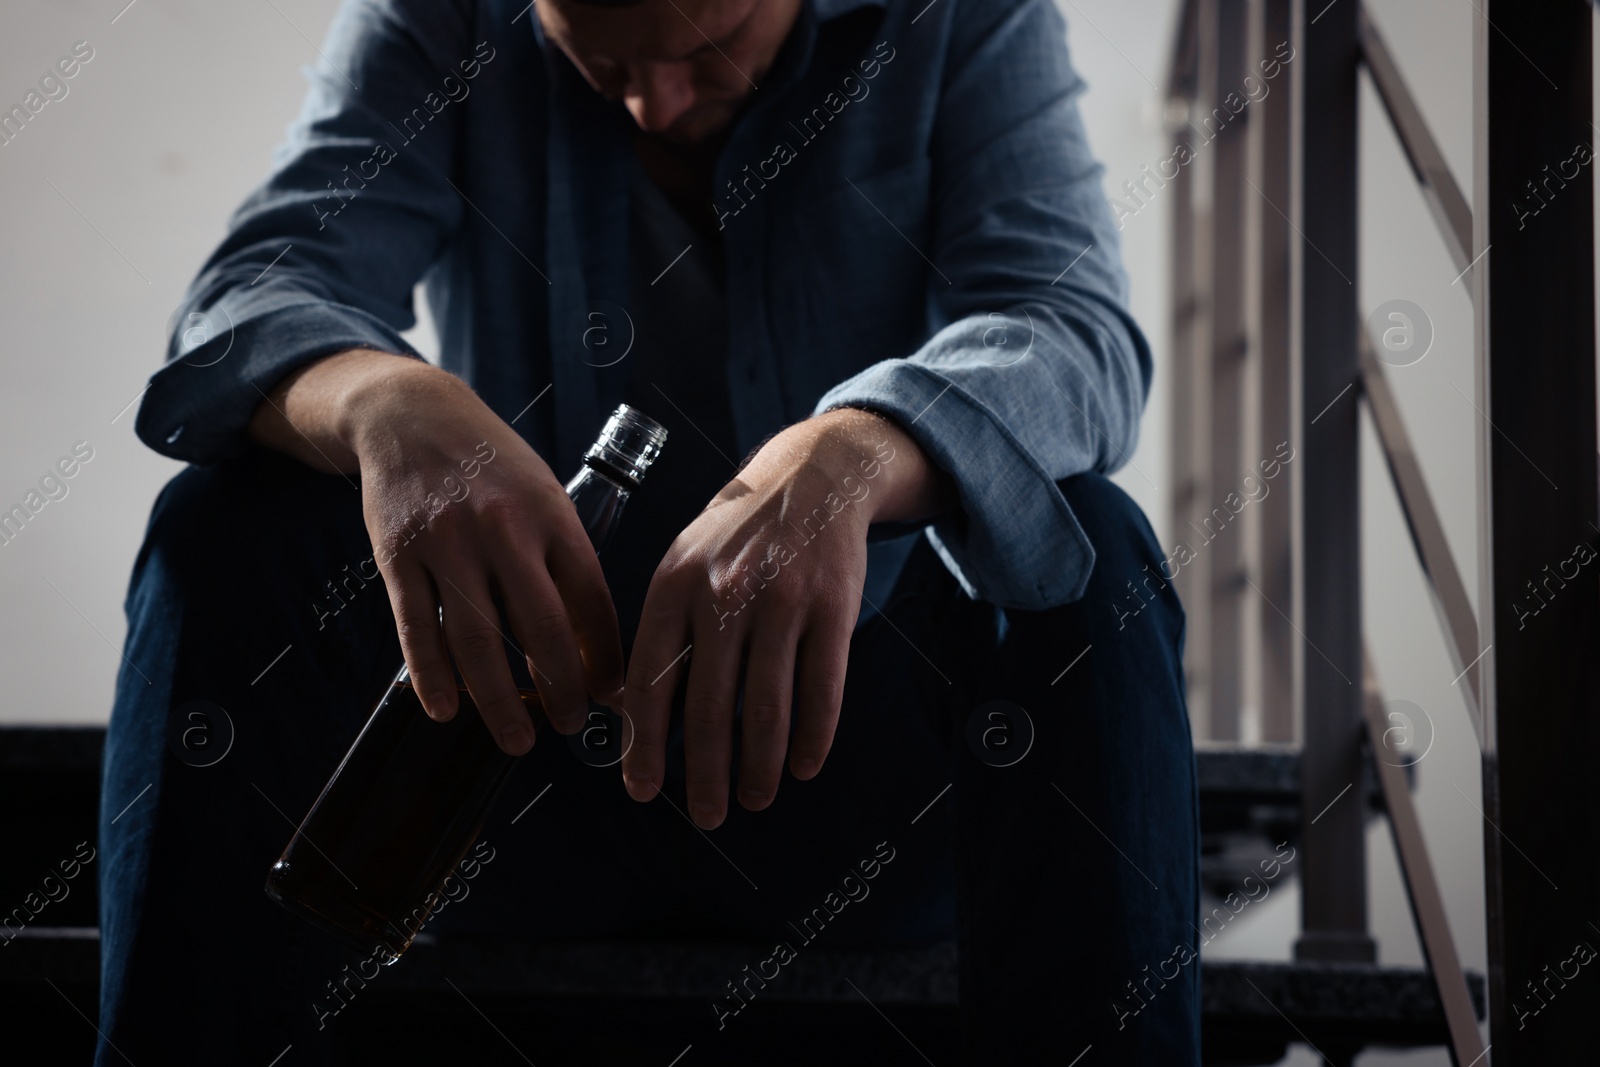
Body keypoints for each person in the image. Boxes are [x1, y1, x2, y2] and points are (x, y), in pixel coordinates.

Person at [98, 0, 1198, 1062]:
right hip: (509, 776)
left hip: (856, 792)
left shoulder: (961, 16)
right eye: (600, 60)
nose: (650, 109)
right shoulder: (440, 15)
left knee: (1089, 545)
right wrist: (378, 399)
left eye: (706, 47)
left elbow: (1070, 327)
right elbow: (249, 294)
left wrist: (859, 450)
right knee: (225, 520)